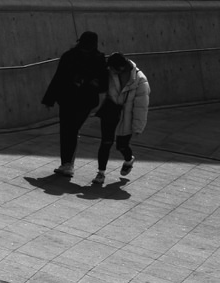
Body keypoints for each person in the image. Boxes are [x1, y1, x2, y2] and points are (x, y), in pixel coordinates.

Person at [41, 30, 107, 178]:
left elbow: (58, 78)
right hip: (81, 100)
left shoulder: (70, 56)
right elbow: (104, 83)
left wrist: (49, 99)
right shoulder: (97, 58)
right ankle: (67, 163)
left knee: (68, 129)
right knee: (69, 129)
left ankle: (67, 164)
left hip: (71, 99)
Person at [93, 53, 150, 185]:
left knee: (122, 145)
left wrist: (137, 127)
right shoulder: (111, 72)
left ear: (121, 67)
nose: (110, 71)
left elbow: (141, 107)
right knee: (106, 142)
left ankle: (129, 159)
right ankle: (101, 173)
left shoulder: (140, 80)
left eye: (113, 68)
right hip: (110, 110)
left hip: (126, 115)